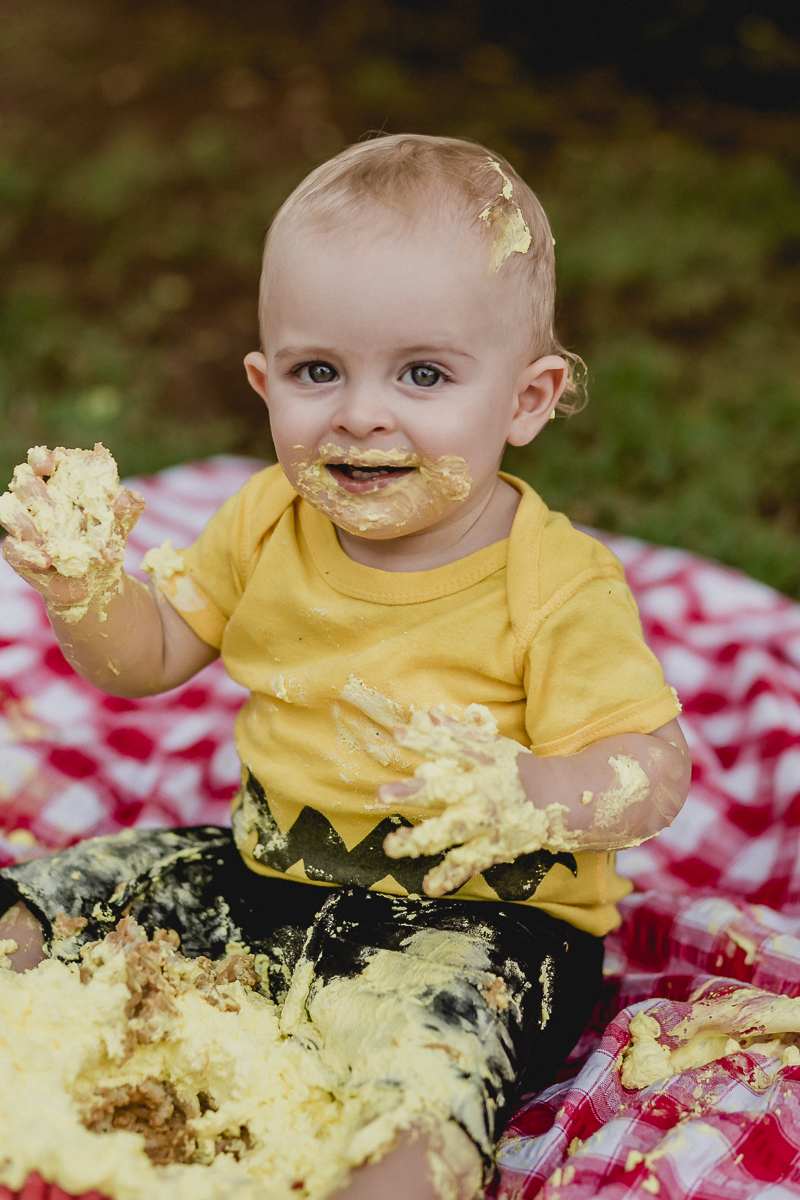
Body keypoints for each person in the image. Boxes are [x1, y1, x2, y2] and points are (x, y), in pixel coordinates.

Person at [0, 135, 691, 1199]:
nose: (360, 412)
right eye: (319, 371)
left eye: (423, 374)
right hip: (266, 869)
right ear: (262, 381)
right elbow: (146, 662)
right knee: (53, 897)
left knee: (422, 1075)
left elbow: (653, 767)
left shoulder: (557, 586)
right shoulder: (267, 518)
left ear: (526, 398)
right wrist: (86, 589)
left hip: (482, 925)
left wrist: (533, 793)